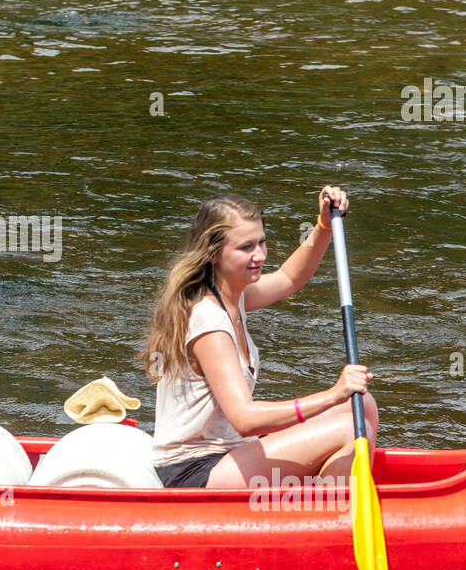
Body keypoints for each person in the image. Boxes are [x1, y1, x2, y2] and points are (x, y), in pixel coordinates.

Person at [142, 187, 377, 489]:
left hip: (229, 450)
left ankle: (325, 494)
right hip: (194, 469)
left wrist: (324, 226)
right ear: (213, 253)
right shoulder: (208, 321)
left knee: (362, 404)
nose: (260, 255)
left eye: (262, 243)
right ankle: (329, 513)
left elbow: (290, 278)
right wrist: (332, 394)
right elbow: (245, 419)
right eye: (246, 248)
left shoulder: (232, 293)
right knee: (349, 427)